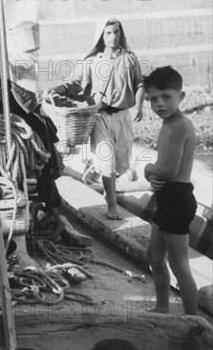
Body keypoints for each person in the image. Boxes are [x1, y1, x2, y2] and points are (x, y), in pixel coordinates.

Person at [45, 17, 145, 220]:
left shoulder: (130, 59)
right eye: (108, 32)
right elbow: (72, 82)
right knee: (107, 161)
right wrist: (55, 89)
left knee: (121, 163)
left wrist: (139, 106)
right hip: (99, 117)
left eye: (116, 32)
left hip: (123, 116)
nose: (113, 36)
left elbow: (140, 83)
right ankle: (112, 204)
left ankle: (110, 188)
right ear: (101, 35)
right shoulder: (93, 61)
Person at [143, 66, 198, 315]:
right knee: (154, 257)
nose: (159, 103)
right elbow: (164, 170)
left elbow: (169, 169)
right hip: (166, 199)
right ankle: (162, 306)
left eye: (166, 96)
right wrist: (155, 177)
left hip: (178, 200)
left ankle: (192, 319)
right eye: (153, 98)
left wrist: (147, 169)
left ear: (181, 97)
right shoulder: (167, 123)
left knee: (179, 264)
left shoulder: (179, 126)